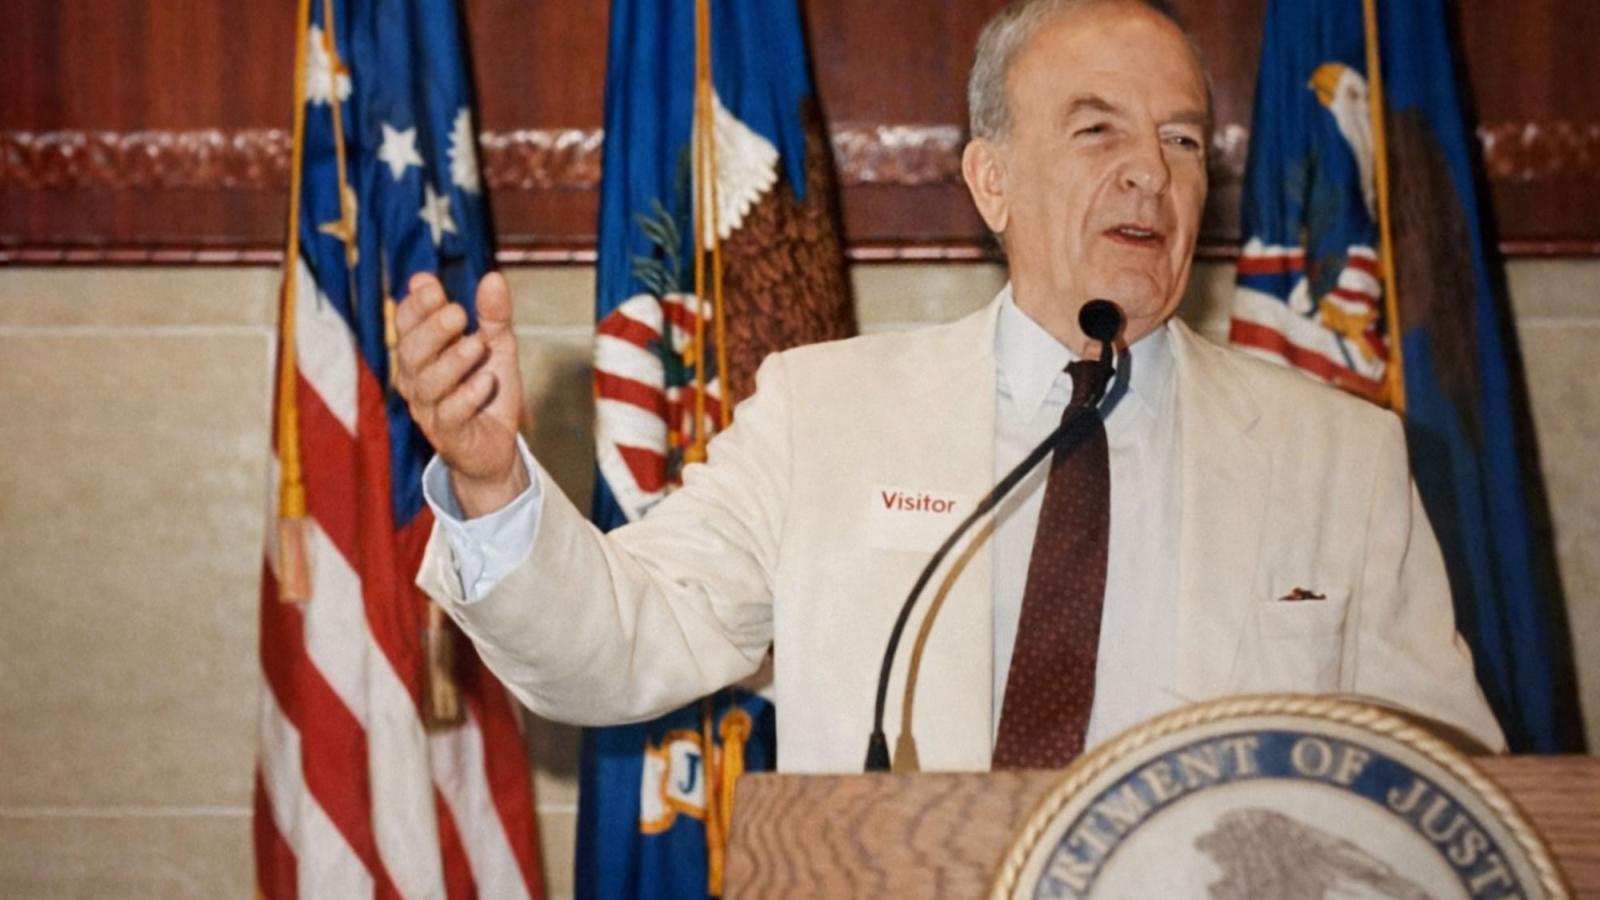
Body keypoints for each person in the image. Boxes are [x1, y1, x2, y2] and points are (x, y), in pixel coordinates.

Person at [394, 0, 1504, 773]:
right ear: (990, 179)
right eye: (1094, 129)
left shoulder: (1340, 457)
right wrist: (493, 486)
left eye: (1179, 139)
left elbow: (1445, 786)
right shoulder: (822, 413)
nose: (1147, 173)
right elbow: (622, 644)